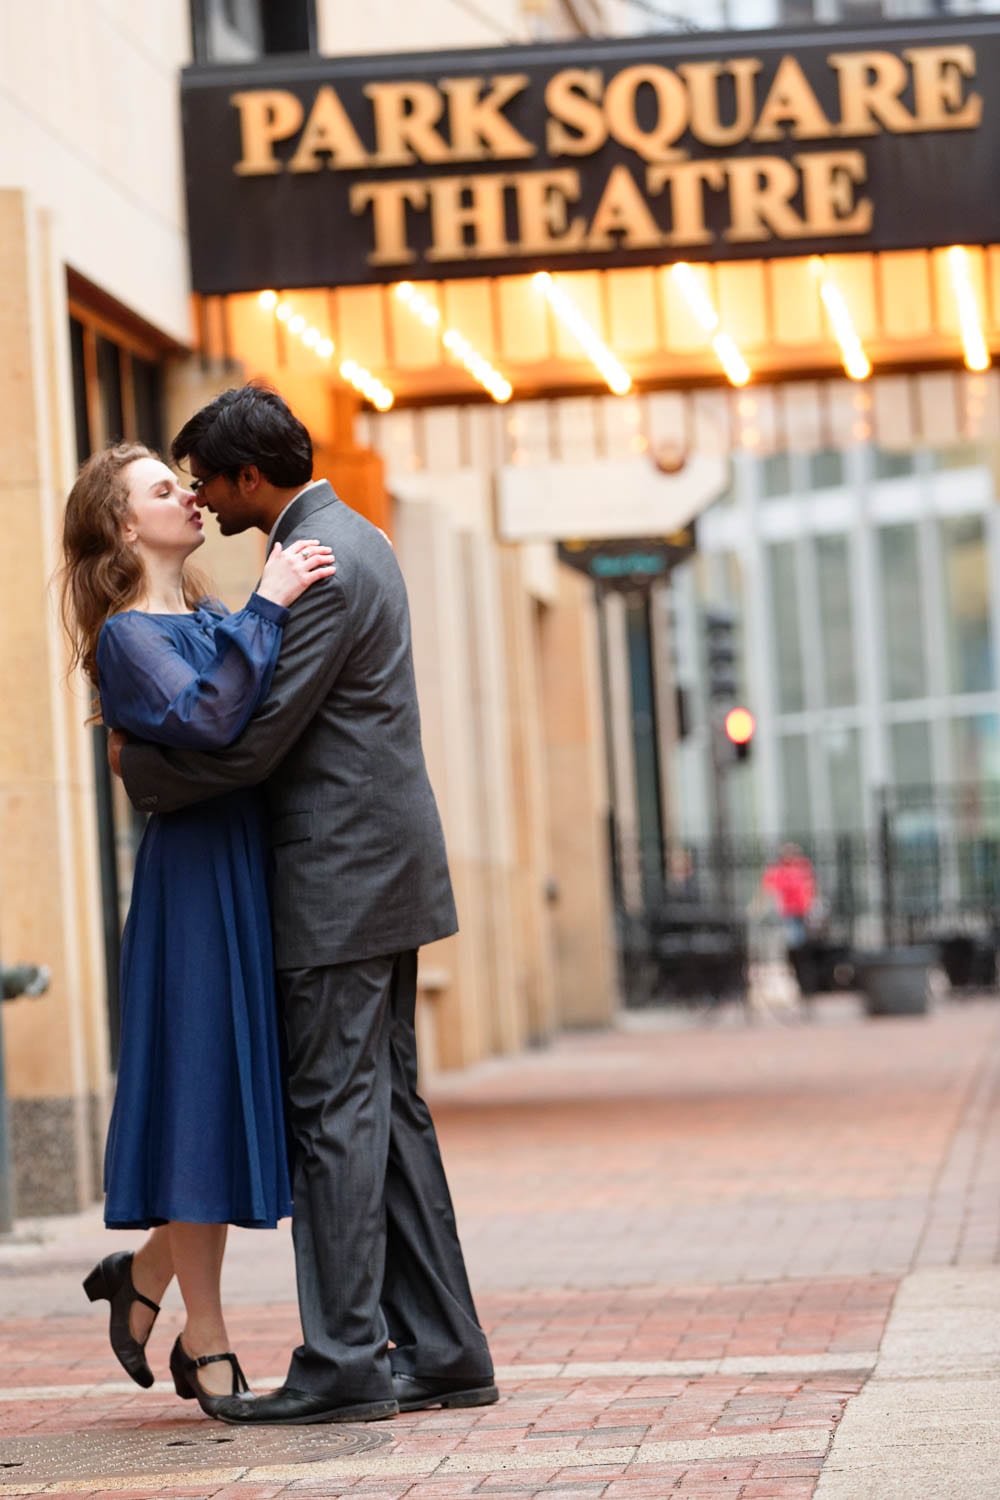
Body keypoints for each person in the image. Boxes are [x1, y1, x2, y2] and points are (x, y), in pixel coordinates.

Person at [111, 384, 496, 1427]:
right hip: (380, 875)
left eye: (208, 481)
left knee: (335, 1114)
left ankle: (340, 1359)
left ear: (248, 479)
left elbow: (254, 739)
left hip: (342, 879)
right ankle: (449, 1350)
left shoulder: (319, 561)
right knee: (390, 1115)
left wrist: (147, 777)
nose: (201, 498)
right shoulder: (350, 535)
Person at [61, 441, 335, 1418]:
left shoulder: (209, 615)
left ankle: (140, 1281)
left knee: (220, 1103)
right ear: (124, 527)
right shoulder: (128, 637)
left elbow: (251, 716)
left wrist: (256, 616)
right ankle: (204, 1341)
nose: (186, 492)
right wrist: (272, 600)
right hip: (189, 888)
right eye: (158, 488)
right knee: (199, 1103)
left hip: (241, 873)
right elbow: (220, 720)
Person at [761, 842, 817, 950]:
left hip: (803, 907)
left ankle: (801, 954)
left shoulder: (803, 865)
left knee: (803, 934)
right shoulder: (780, 869)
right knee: (794, 935)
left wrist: (810, 900)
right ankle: (797, 954)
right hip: (789, 908)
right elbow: (769, 885)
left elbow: (810, 885)